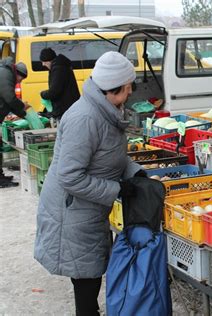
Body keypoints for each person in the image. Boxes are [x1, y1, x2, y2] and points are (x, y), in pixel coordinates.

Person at [34, 51, 146, 315]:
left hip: (86, 210)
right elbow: (70, 176)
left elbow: (109, 156)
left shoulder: (106, 110)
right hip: (71, 211)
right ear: (115, 87)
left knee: (89, 276)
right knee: (86, 278)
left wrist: (135, 173)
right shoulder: (85, 119)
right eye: (129, 86)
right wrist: (117, 189)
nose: (131, 91)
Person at [0, 58, 30, 188]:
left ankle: (0, 176)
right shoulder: (5, 75)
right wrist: (22, 106)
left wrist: (24, 115)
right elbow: (10, 99)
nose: (20, 82)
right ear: (17, 73)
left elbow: (9, 103)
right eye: (21, 79)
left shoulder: (6, 74)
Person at [39, 48, 80, 120]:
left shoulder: (58, 69)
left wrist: (42, 94)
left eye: (44, 61)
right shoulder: (61, 66)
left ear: (48, 60)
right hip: (68, 108)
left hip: (65, 110)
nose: (43, 64)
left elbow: (54, 91)